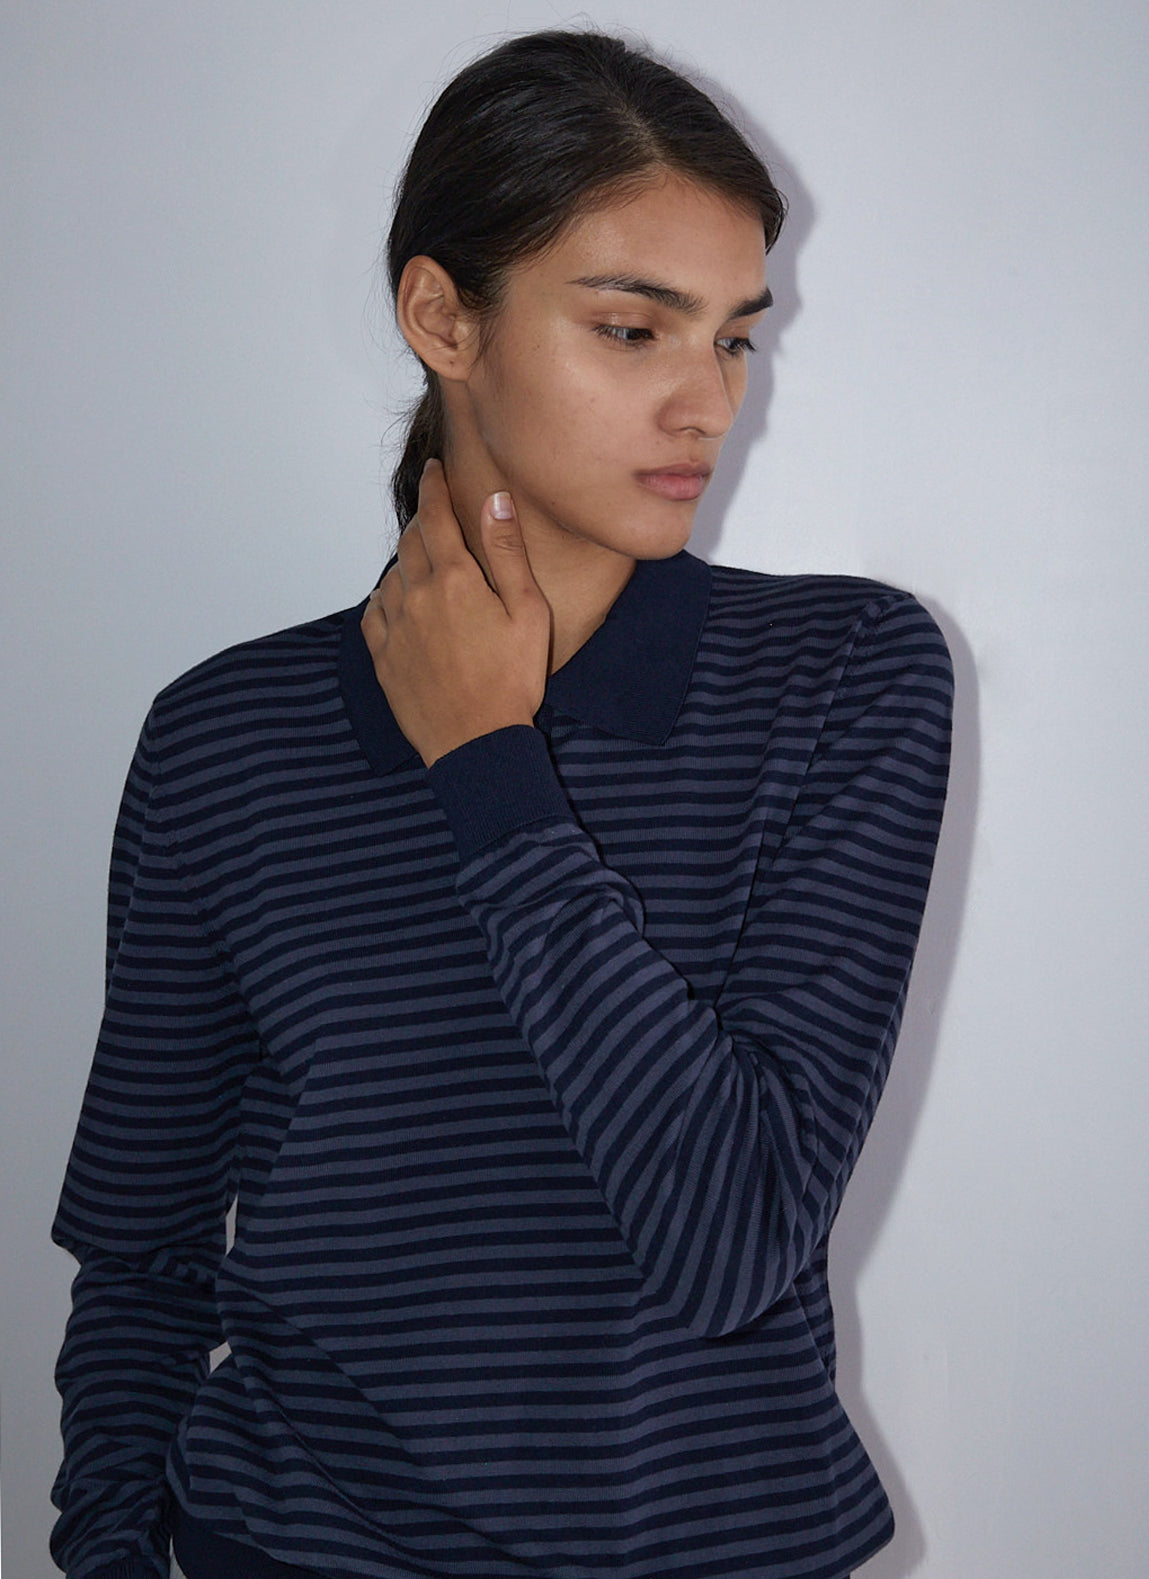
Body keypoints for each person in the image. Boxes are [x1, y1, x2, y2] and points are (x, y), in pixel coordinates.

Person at [50, 28, 953, 1579]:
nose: (708, 405)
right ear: (441, 316)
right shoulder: (225, 740)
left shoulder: (846, 678)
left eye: (736, 341)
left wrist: (488, 768)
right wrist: (114, 1554)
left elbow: (730, 1241)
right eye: (633, 330)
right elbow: (143, 1255)